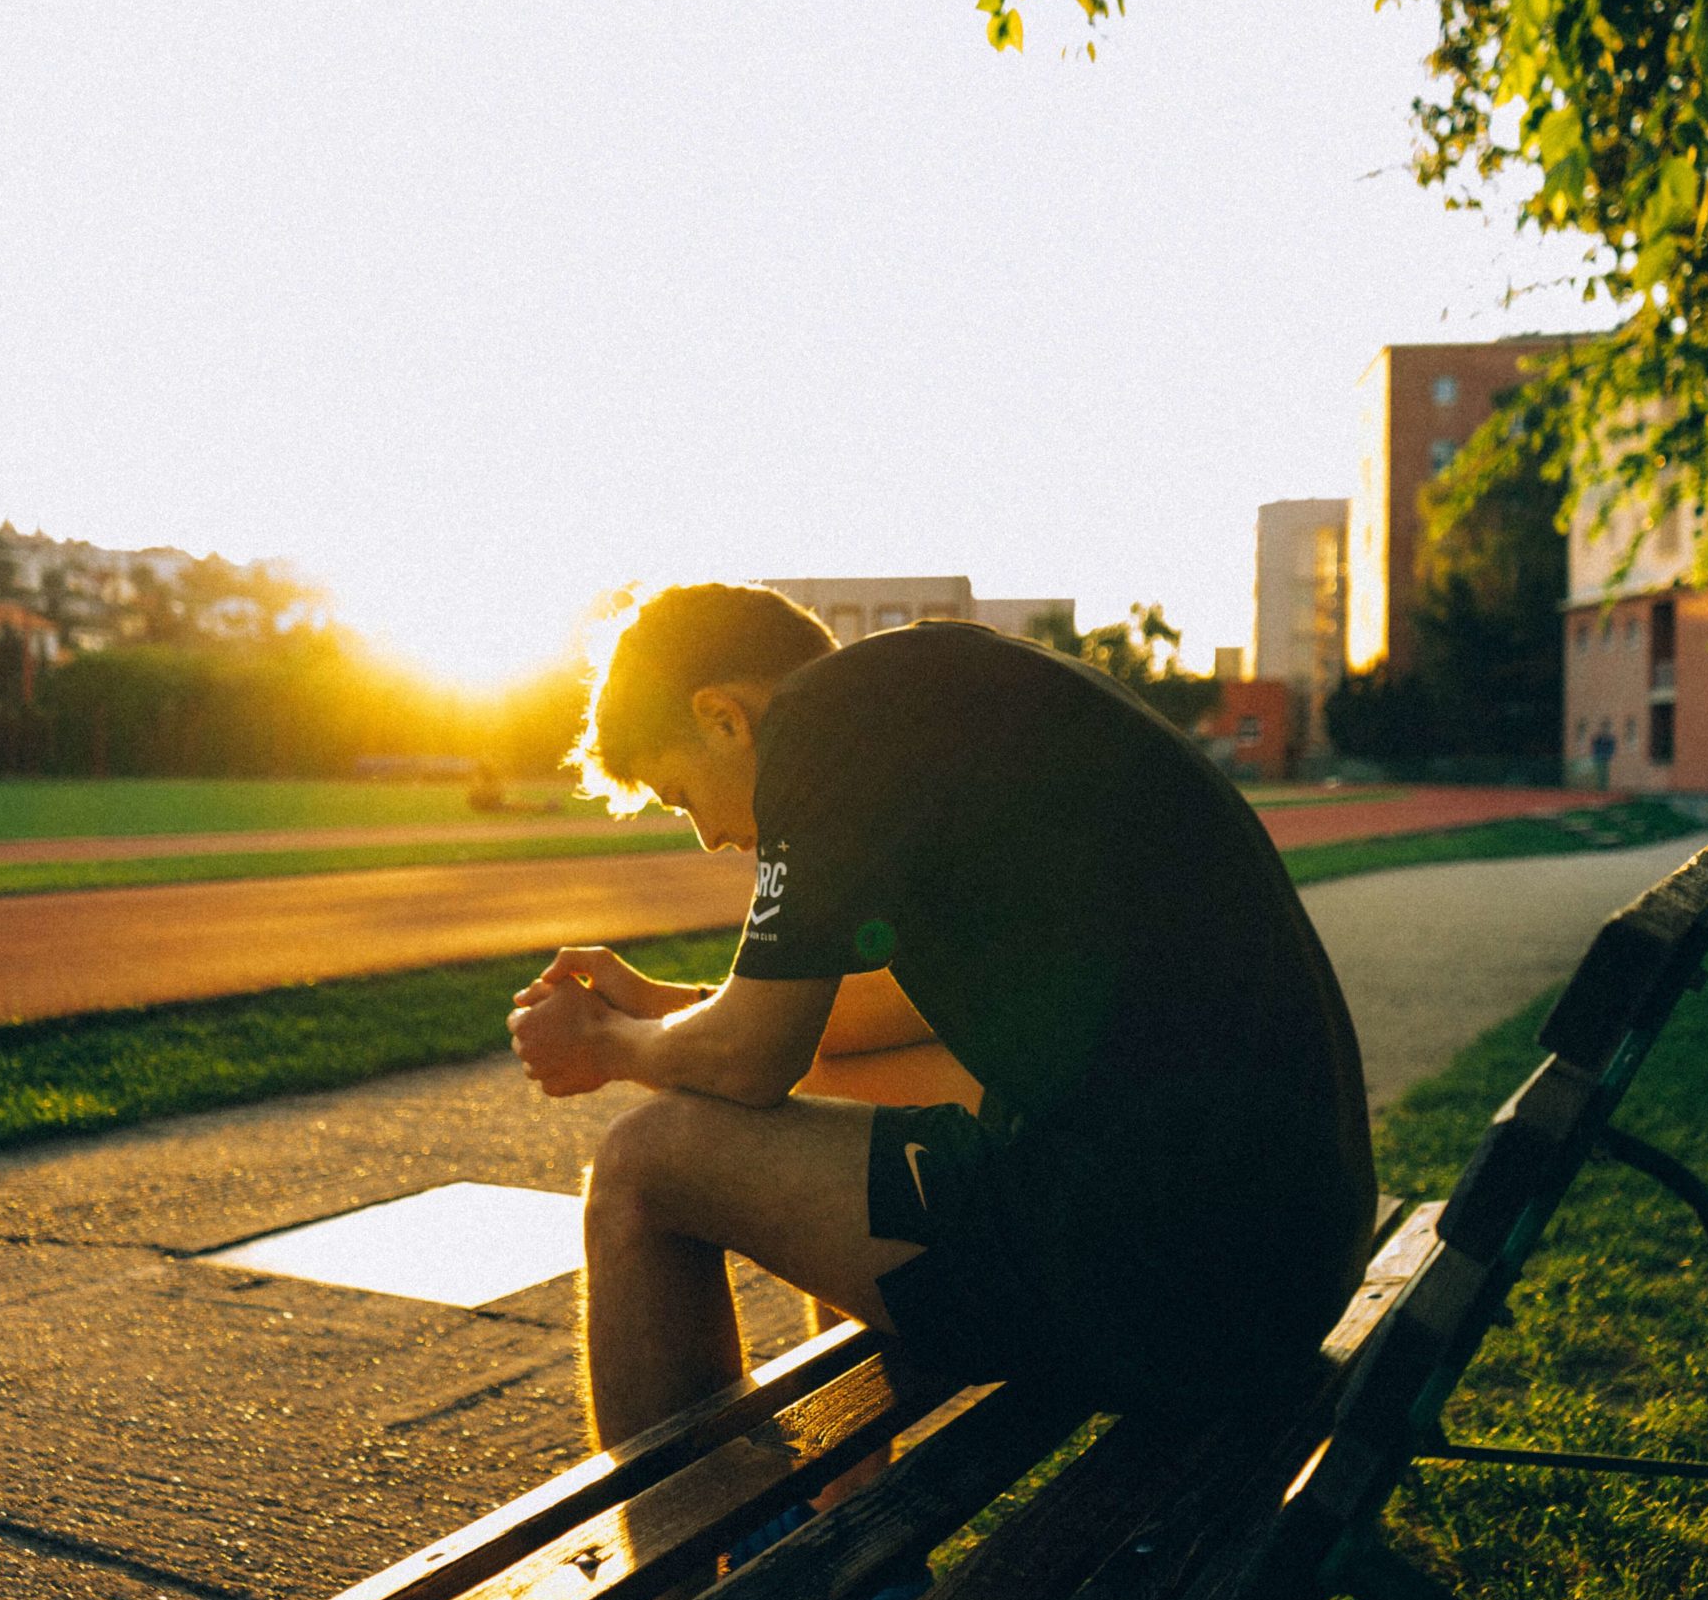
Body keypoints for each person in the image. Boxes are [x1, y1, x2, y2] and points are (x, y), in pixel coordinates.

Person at [507, 580, 1374, 1486]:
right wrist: (658, 1007)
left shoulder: (817, 728)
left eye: (681, 793)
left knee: (646, 1164)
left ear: (724, 716)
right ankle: (847, 1533)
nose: (710, 836)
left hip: (1177, 1282)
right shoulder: (935, 698)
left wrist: (607, 1046)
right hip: (1288, 1246)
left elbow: (752, 1059)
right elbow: (847, 1026)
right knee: (844, 1087)